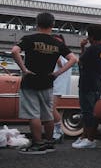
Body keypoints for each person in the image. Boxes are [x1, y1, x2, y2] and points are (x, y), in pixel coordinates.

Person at [11, 12, 78, 154]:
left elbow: (15, 51)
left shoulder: (29, 39)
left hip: (30, 81)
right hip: (48, 81)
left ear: (37, 23)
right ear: (52, 25)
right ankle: (49, 142)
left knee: (33, 114)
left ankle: (38, 143)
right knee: (47, 114)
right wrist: (57, 73)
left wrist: (24, 69)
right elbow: (73, 59)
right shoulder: (57, 43)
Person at [72, 24, 101, 149]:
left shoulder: (92, 49)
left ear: (92, 37)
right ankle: (85, 137)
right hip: (98, 84)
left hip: (87, 84)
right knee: (89, 111)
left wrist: (82, 47)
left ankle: (89, 139)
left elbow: (81, 62)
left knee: (87, 112)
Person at [51, 33, 73, 142]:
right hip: (53, 85)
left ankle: (59, 131)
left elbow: (60, 64)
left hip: (58, 85)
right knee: (49, 109)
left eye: (58, 41)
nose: (56, 43)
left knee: (50, 108)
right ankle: (55, 131)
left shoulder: (62, 55)